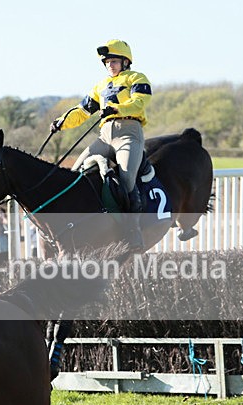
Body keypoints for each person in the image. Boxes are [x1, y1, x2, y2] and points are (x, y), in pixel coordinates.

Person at [50, 39, 152, 251]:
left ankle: (133, 231)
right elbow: (82, 111)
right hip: (105, 137)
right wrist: (62, 122)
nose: (110, 65)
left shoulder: (137, 78)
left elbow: (139, 102)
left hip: (128, 135)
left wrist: (116, 109)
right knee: (75, 172)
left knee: (126, 179)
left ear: (125, 62)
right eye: (107, 62)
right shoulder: (100, 86)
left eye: (114, 61)